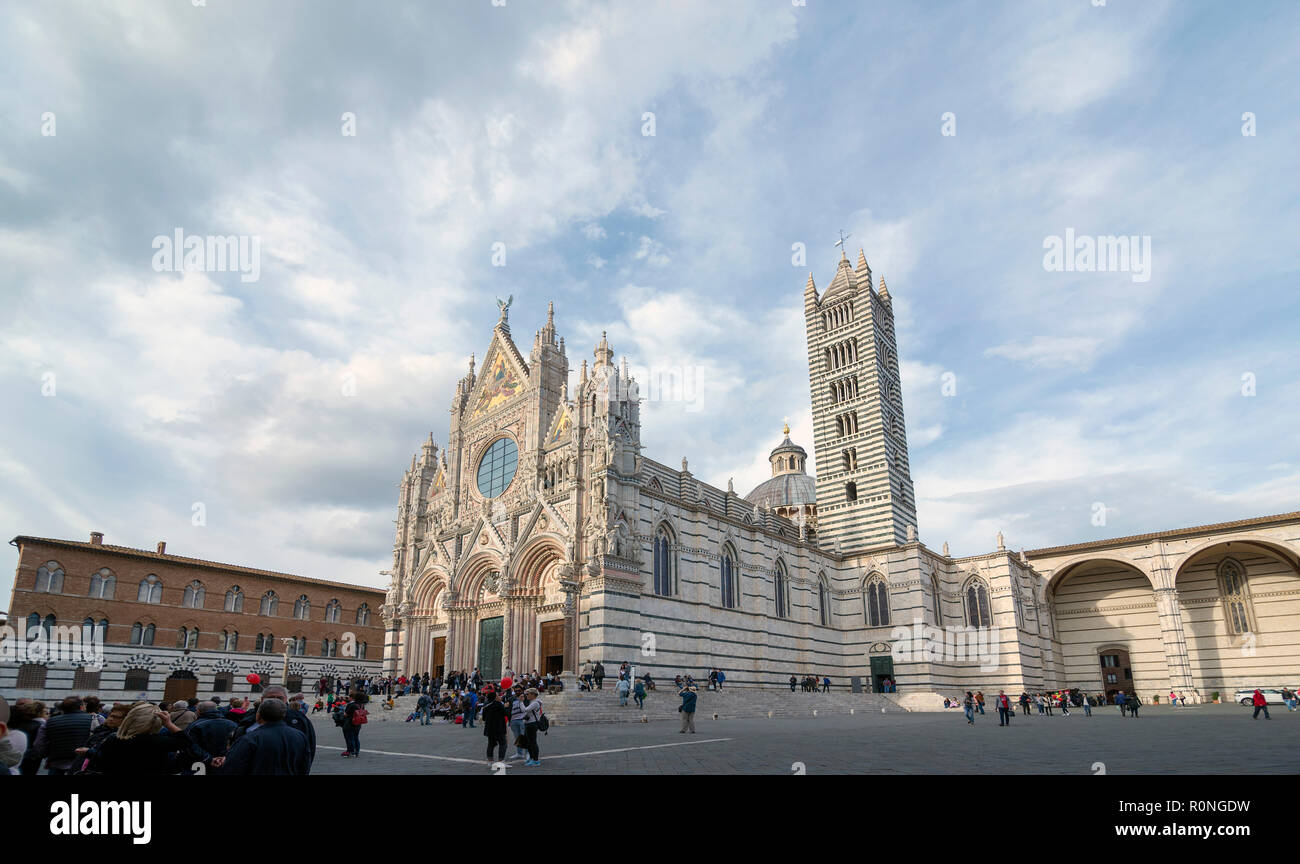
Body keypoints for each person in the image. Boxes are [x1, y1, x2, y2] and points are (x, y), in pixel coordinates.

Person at [90, 702, 210, 774]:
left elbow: (101, 762)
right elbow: (186, 742)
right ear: (155, 722)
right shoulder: (158, 742)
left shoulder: (113, 738)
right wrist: (169, 724)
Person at [219, 699, 309, 775]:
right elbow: (305, 765)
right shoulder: (300, 736)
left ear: (258, 715)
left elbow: (232, 767)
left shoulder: (250, 738)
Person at [32, 696, 93, 774]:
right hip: (82, 764)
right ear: (81, 707)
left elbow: (39, 744)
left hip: (56, 764)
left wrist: (46, 755)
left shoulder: (50, 722)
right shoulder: (91, 720)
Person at [187, 701, 238, 767]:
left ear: (199, 711)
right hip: (224, 763)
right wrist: (225, 757)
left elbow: (190, 745)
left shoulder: (195, 725)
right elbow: (236, 745)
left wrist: (209, 759)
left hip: (199, 764)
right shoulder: (233, 724)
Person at [481, 690, 508, 767]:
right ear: (495, 697)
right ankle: (501, 761)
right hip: (499, 728)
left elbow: (483, 718)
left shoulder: (486, 705)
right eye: (498, 696)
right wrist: (506, 707)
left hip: (489, 728)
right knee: (503, 744)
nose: (500, 697)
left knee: (491, 744)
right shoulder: (498, 704)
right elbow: (505, 713)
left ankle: (490, 761)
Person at [340, 690, 367, 757]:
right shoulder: (362, 705)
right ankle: (356, 751)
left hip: (350, 723)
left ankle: (350, 751)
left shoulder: (351, 705)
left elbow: (346, 714)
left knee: (349, 737)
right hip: (358, 723)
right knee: (356, 737)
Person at [521, 688, 544, 766]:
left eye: (528, 694)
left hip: (532, 724)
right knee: (529, 743)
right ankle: (531, 758)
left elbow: (524, 710)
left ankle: (536, 760)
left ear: (533, 695)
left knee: (533, 742)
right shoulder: (532, 702)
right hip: (529, 723)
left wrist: (521, 702)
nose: (526, 695)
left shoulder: (535, 703)